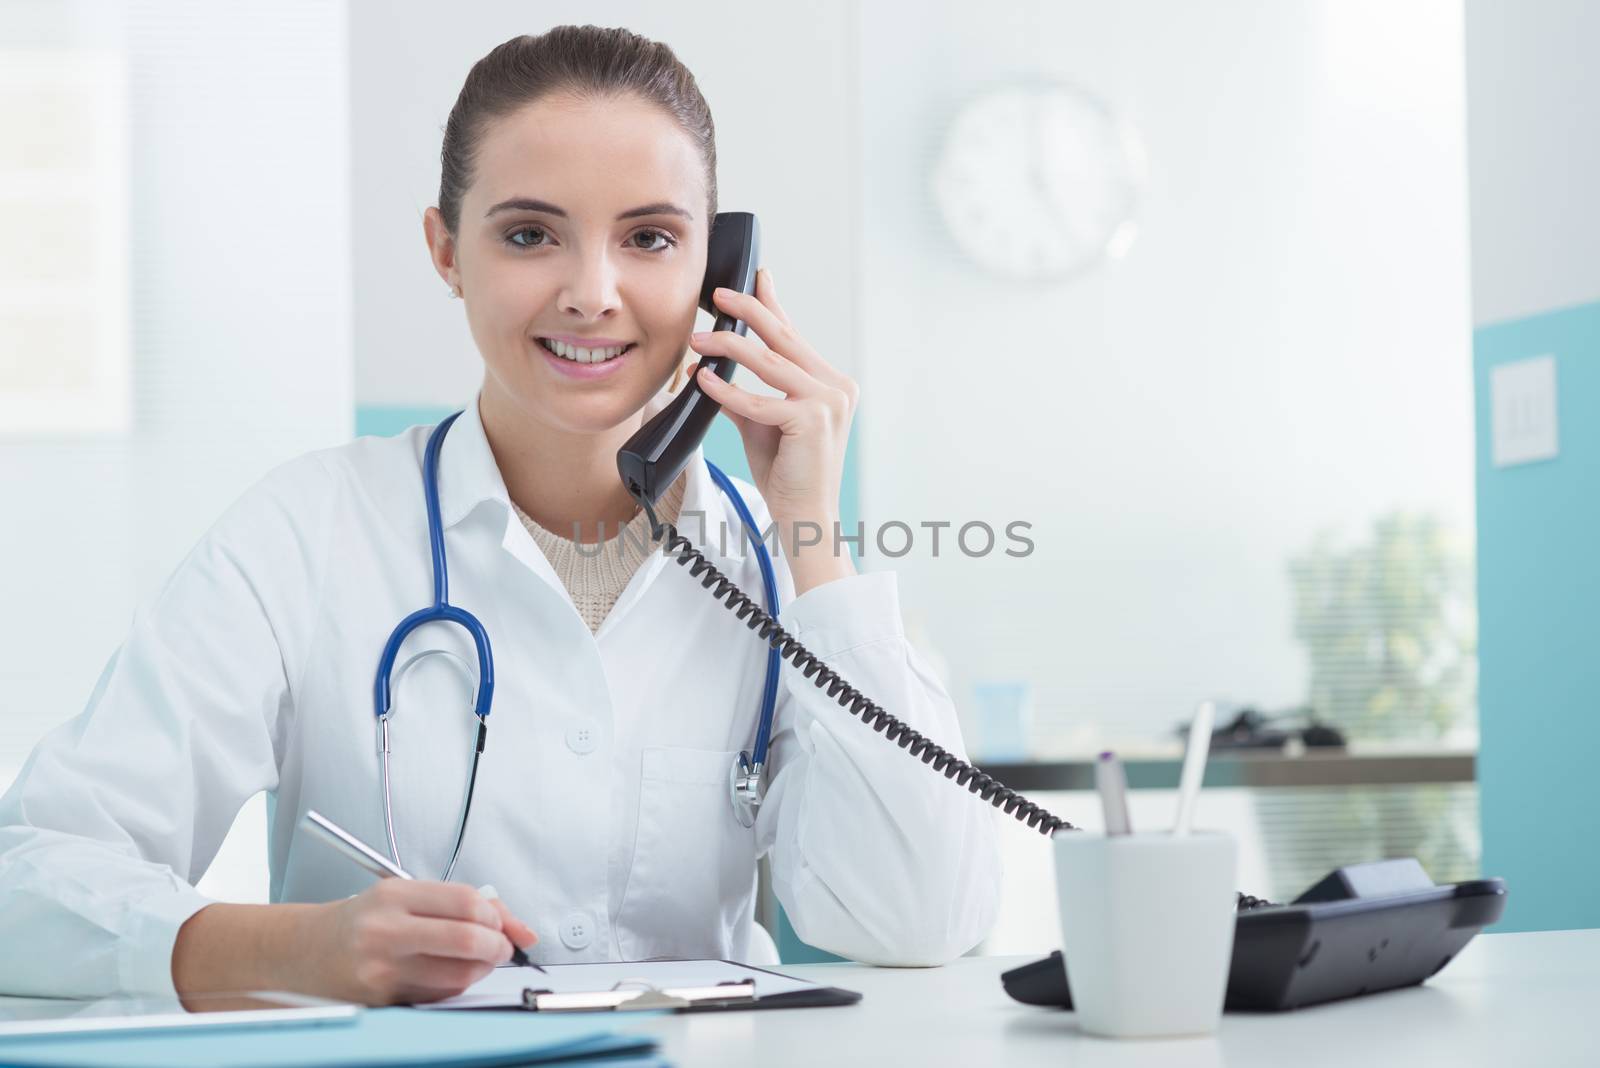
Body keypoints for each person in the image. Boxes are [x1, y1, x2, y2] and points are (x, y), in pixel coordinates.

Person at [0, 25, 1000, 1006]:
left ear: (717, 271)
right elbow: (26, 884)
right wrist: (301, 947)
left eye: (650, 238)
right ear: (445, 251)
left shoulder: (780, 568)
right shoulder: (307, 531)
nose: (592, 294)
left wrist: (812, 537)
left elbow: (918, 921)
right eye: (529, 235)